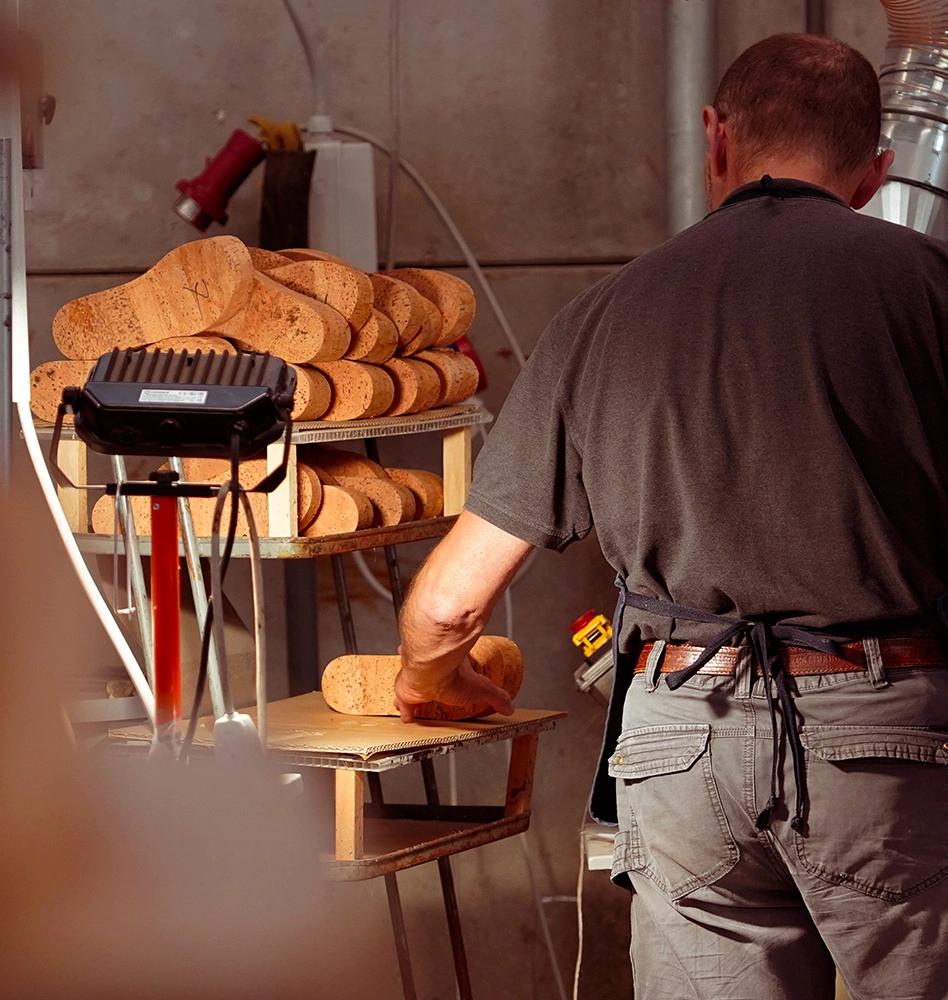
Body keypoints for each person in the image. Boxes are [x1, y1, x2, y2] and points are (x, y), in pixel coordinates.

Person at [393, 33, 948, 1000]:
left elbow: (447, 603)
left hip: (680, 735)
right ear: (875, 171)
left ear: (714, 138)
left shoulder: (600, 316)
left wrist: (427, 680)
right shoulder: (930, 287)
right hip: (885, 733)